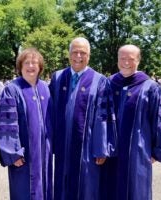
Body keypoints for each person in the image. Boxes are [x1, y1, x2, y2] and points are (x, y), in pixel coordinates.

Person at [102, 44, 161, 200]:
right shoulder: (108, 84)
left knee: (136, 193)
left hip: (137, 155)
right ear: (117, 60)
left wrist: (158, 152)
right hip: (110, 155)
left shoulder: (150, 87)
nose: (126, 62)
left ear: (138, 60)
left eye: (131, 59)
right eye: (122, 58)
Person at [49, 37, 117, 200]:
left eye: (83, 53)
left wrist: (101, 148)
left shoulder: (99, 81)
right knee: (61, 184)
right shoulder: (57, 77)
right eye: (75, 52)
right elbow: (48, 114)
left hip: (86, 147)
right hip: (62, 147)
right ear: (69, 54)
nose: (78, 56)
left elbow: (104, 116)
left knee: (86, 188)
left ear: (89, 56)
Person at [0, 48, 52, 200]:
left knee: (44, 188)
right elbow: (5, 124)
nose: (31, 66)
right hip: (23, 156)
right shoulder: (12, 90)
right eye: (26, 62)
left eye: (34, 63)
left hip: (43, 153)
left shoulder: (44, 89)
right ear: (20, 67)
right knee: (24, 191)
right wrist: (13, 153)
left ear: (40, 67)